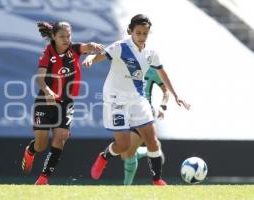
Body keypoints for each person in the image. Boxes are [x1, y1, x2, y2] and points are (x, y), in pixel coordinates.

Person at [82, 14, 190, 186]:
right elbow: (102, 55)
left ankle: (157, 180)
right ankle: (104, 156)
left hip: (138, 99)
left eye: (145, 33)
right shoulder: (121, 46)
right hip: (116, 98)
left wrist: (176, 95)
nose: (141, 37)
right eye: (138, 33)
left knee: (153, 141)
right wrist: (91, 58)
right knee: (123, 146)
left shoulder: (151, 53)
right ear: (131, 31)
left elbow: (162, 73)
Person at [21, 21, 104, 185]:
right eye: (62, 37)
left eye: (68, 36)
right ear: (53, 36)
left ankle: (44, 178)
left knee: (61, 138)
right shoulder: (48, 53)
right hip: (45, 101)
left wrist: (94, 46)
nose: (66, 40)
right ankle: (30, 151)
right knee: (41, 144)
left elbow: (86, 47)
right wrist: (48, 91)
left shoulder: (74, 49)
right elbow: (39, 78)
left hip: (66, 102)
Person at [121, 67, 169, 185]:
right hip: (128, 113)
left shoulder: (152, 71)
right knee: (125, 153)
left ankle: (125, 188)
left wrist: (162, 107)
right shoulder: (126, 67)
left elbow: (166, 91)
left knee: (128, 152)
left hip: (144, 113)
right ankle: (150, 149)